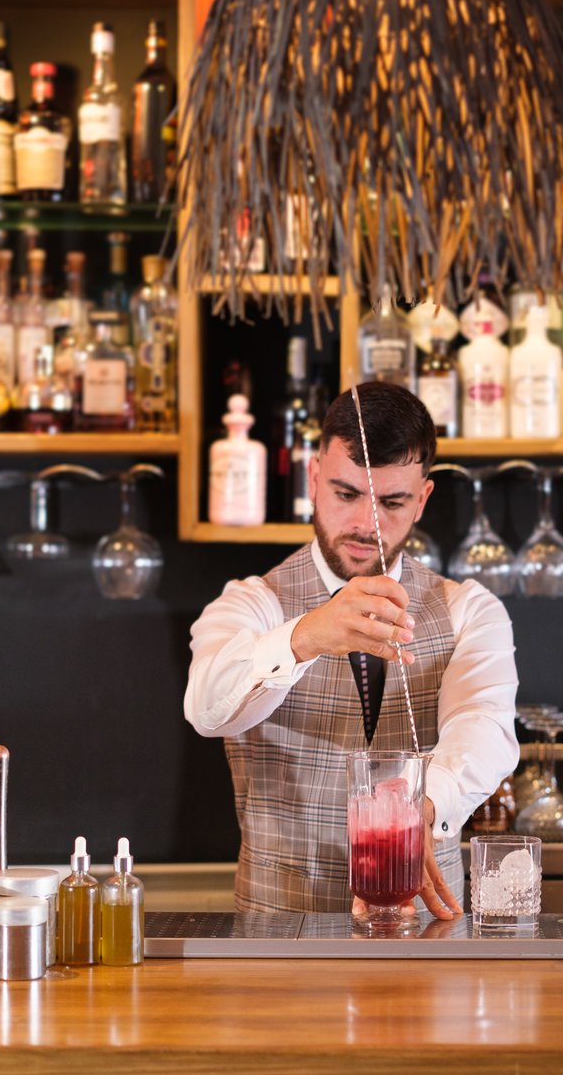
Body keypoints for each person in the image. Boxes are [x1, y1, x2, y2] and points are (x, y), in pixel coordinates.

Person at [185, 382, 519, 917]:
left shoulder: (470, 611)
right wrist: (308, 636)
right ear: (314, 479)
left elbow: (485, 726)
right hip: (279, 945)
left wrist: (419, 810)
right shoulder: (252, 604)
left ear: (423, 500)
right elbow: (206, 710)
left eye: (392, 501)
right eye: (346, 494)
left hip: (426, 934)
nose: (367, 524)